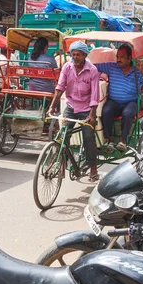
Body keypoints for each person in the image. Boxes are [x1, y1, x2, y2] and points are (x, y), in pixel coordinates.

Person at [48, 41, 100, 181]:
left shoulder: (92, 70)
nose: (75, 57)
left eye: (78, 54)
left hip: (87, 108)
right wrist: (52, 106)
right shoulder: (67, 67)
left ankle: (93, 168)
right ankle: (62, 163)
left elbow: (95, 95)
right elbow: (60, 88)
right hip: (71, 106)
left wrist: (92, 115)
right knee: (63, 134)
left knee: (88, 136)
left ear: (84, 55)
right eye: (73, 54)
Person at [96, 45, 143, 152]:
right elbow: (94, 66)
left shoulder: (137, 71)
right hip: (114, 102)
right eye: (117, 57)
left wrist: (142, 71)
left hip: (131, 102)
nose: (118, 59)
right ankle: (110, 140)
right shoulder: (111, 67)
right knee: (106, 110)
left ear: (129, 58)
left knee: (127, 113)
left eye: (122, 57)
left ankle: (123, 141)